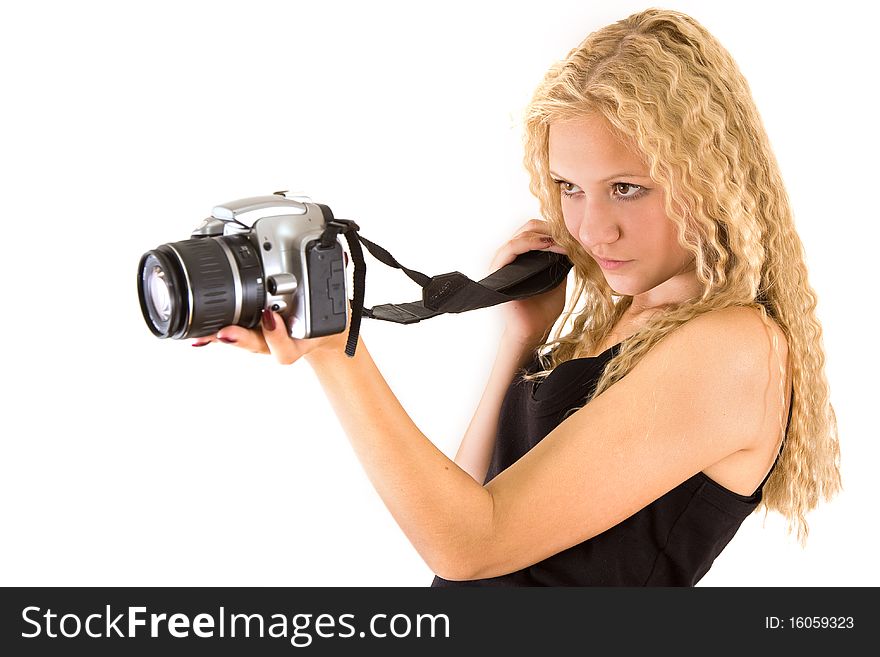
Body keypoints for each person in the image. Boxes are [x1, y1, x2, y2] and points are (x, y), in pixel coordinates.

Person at [191, 8, 841, 586]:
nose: (591, 228)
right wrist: (519, 340)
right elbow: (463, 511)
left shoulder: (729, 348)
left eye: (626, 188)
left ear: (710, 178)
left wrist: (340, 353)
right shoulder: (625, 319)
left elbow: (470, 542)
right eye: (569, 186)